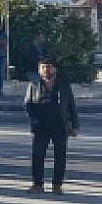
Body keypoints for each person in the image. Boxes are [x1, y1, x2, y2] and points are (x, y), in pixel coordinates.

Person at [25, 59, 79, 194]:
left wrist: (75, 125)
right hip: (41, 126)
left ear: (55, 69)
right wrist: (33, 119)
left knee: (60, 156)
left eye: (48, 67)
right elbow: (28, 104)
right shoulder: (34, 85)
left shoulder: (64, 85)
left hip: (60, 125)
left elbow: (71, 106)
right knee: (38, 155)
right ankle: (37, 184)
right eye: (43, 67)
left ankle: (57, 185)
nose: (46, 70)